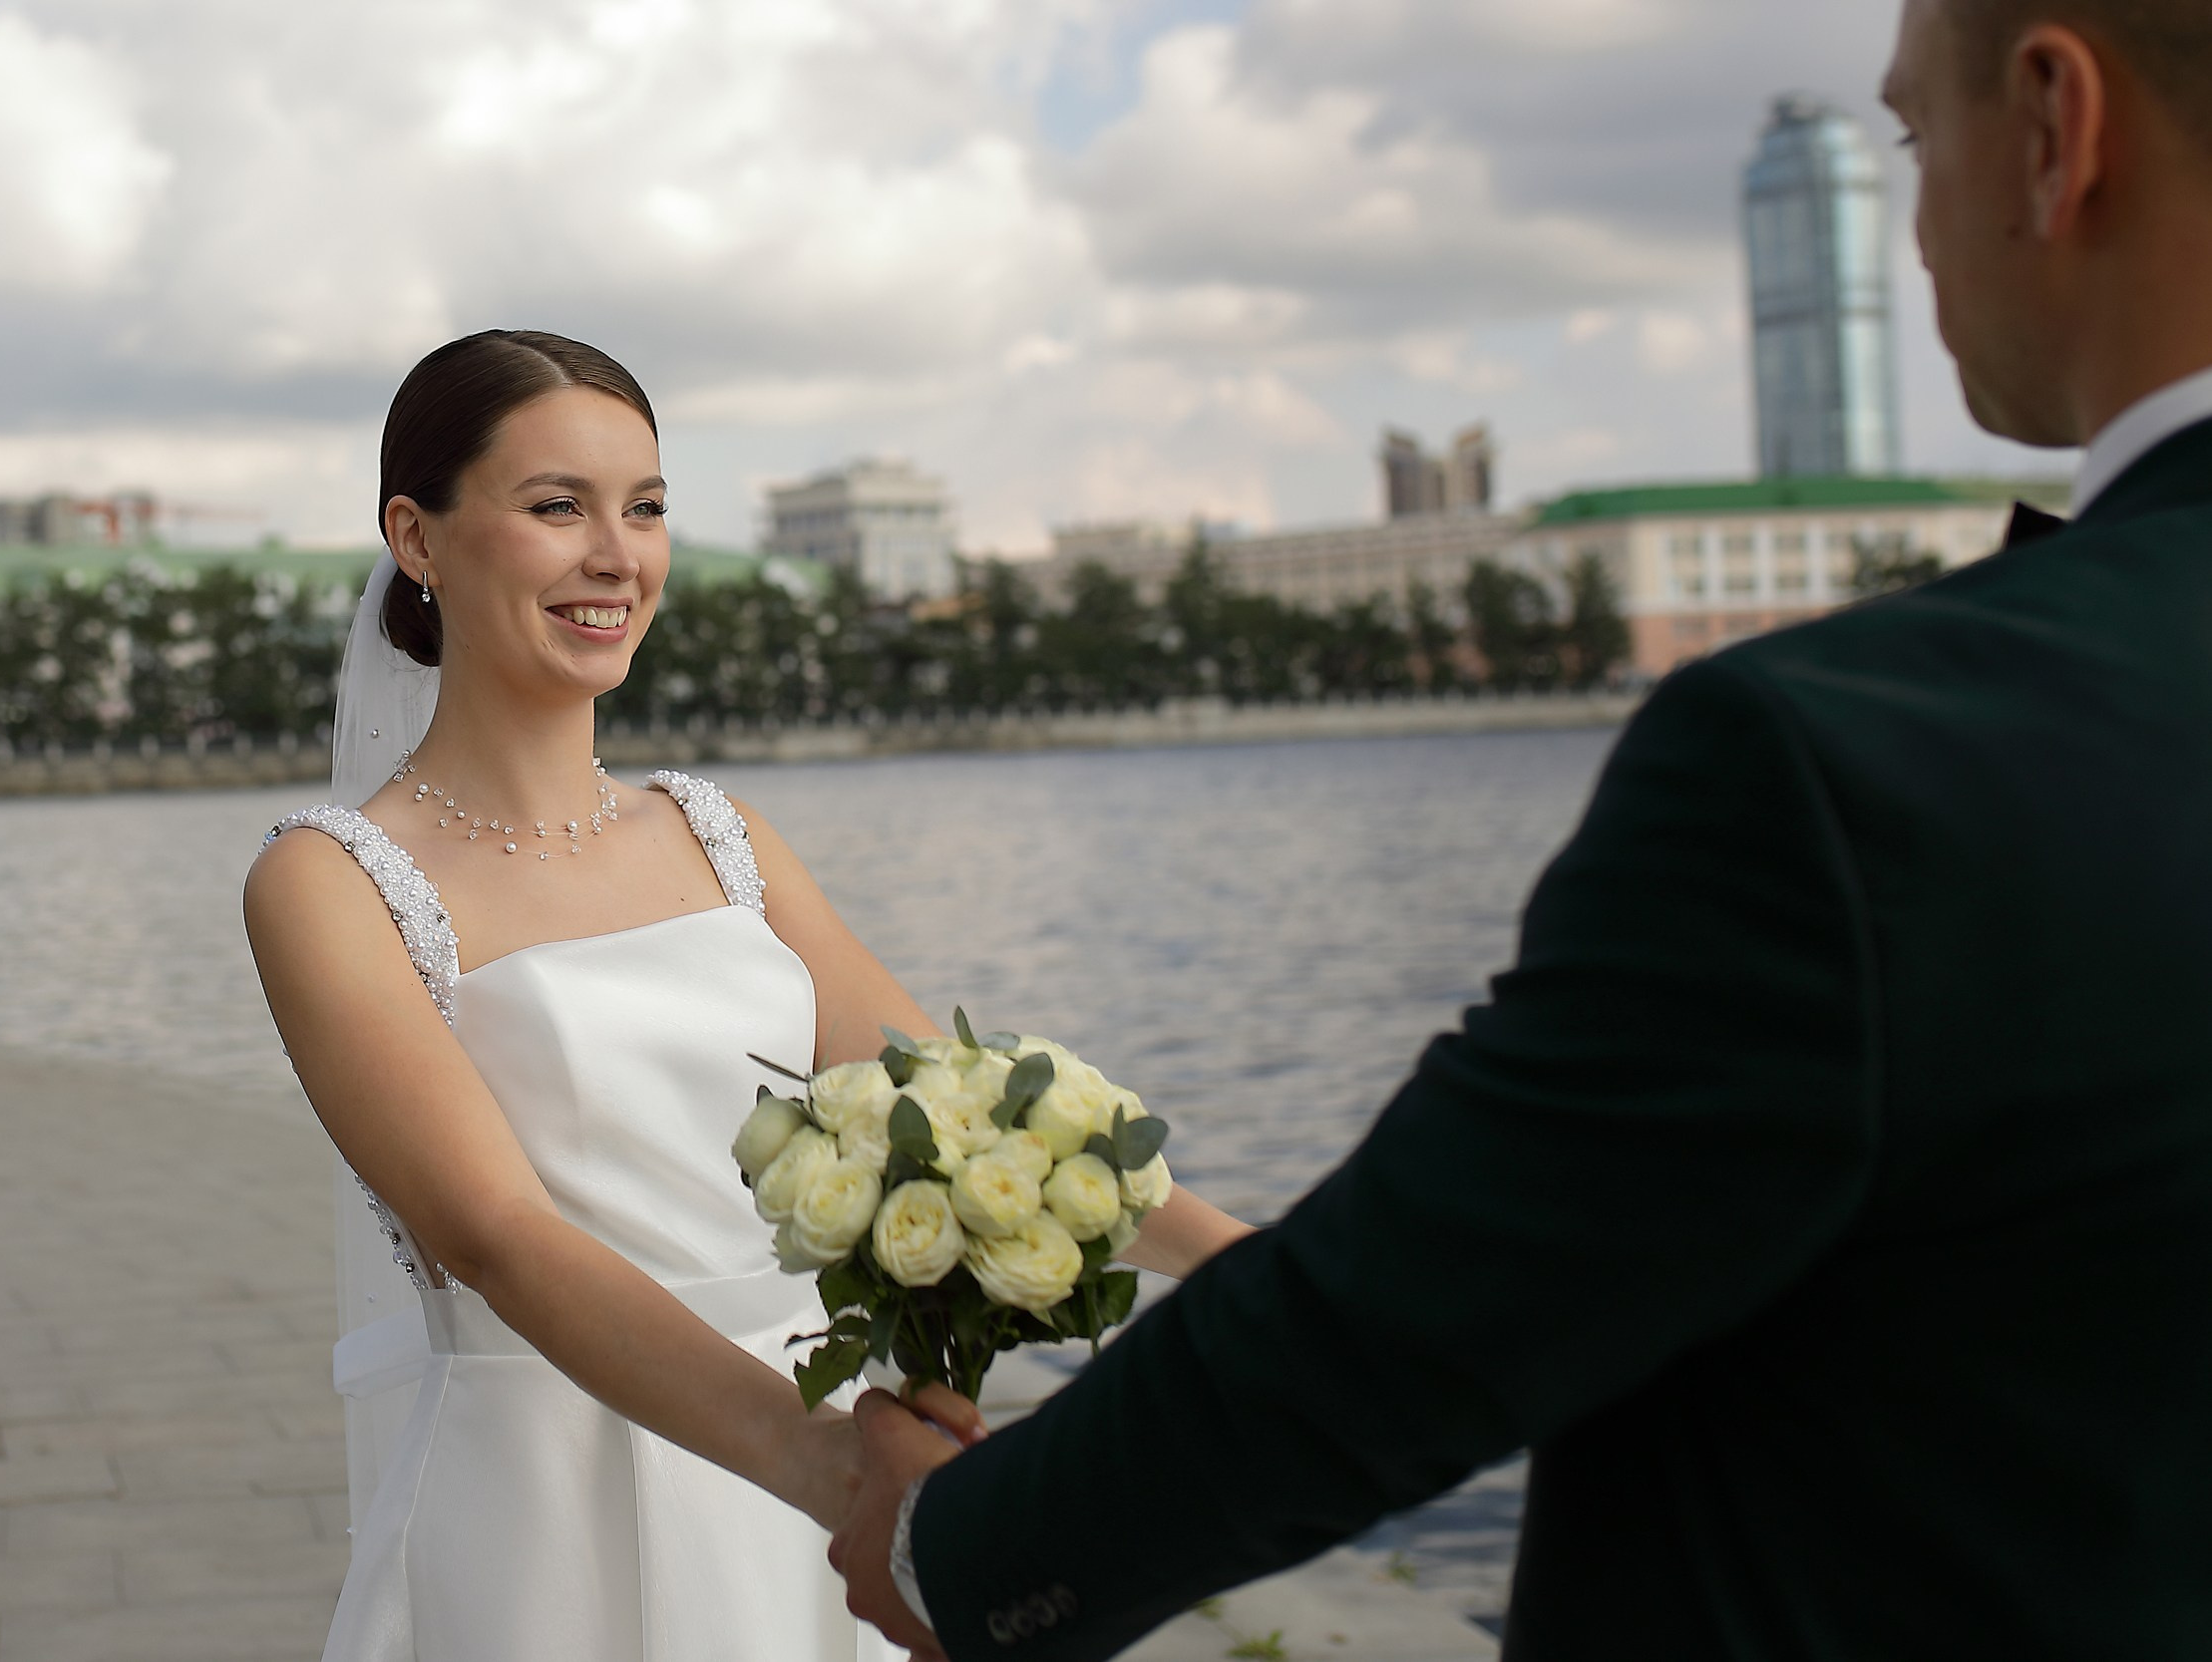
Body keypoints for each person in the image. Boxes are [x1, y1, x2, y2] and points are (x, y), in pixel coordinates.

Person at [832, 1, 2212, 1655]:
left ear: (2057, 125)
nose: (1918, 226)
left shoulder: (1844, 759)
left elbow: (1419, 1316)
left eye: (1920, 138)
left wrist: (958, 1553)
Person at [242, 330, 1252, 1662]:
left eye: (646, 508)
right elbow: (495, 1234)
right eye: (558, 507)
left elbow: (957, 1115)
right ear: (416, 537)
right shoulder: (330, 881)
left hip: (812, 1487)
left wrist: (1262, 1273)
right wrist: (832, 1474)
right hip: (563, 1503)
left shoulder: (720, 835)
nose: (619, 556)